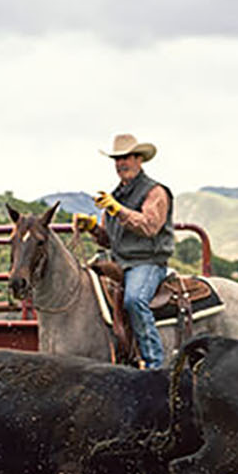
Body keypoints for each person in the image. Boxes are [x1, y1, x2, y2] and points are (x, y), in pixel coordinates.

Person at [73, 133, 174, 368]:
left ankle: (154, 363)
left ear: (139, 159)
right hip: (121, 262)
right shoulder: (116, 196)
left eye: (126, 157)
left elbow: (150, 226)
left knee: (134, 300)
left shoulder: (155, 192)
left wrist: (117, 210)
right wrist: (93, 229)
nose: (121, 164)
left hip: (147, 263)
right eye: (117, 159)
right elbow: (111, 241)